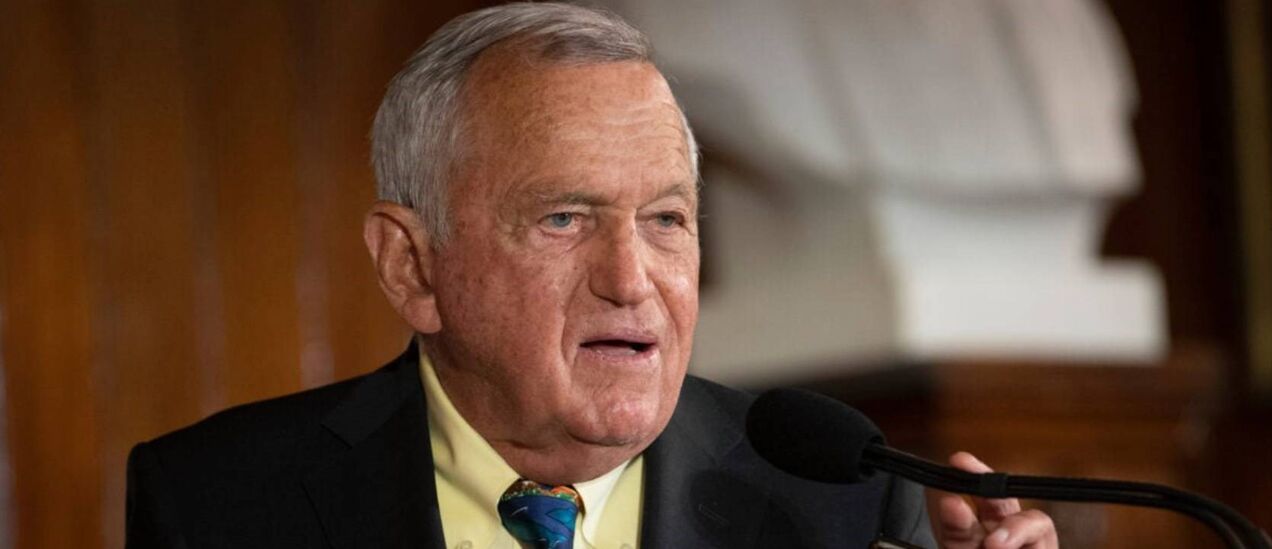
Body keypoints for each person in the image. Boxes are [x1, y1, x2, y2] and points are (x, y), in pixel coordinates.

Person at [125, 3, 1057, 548]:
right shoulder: (217, 500)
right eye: (564, 218)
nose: (630, 278)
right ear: (411, 266)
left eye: (666, 220)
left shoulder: (844, 504)